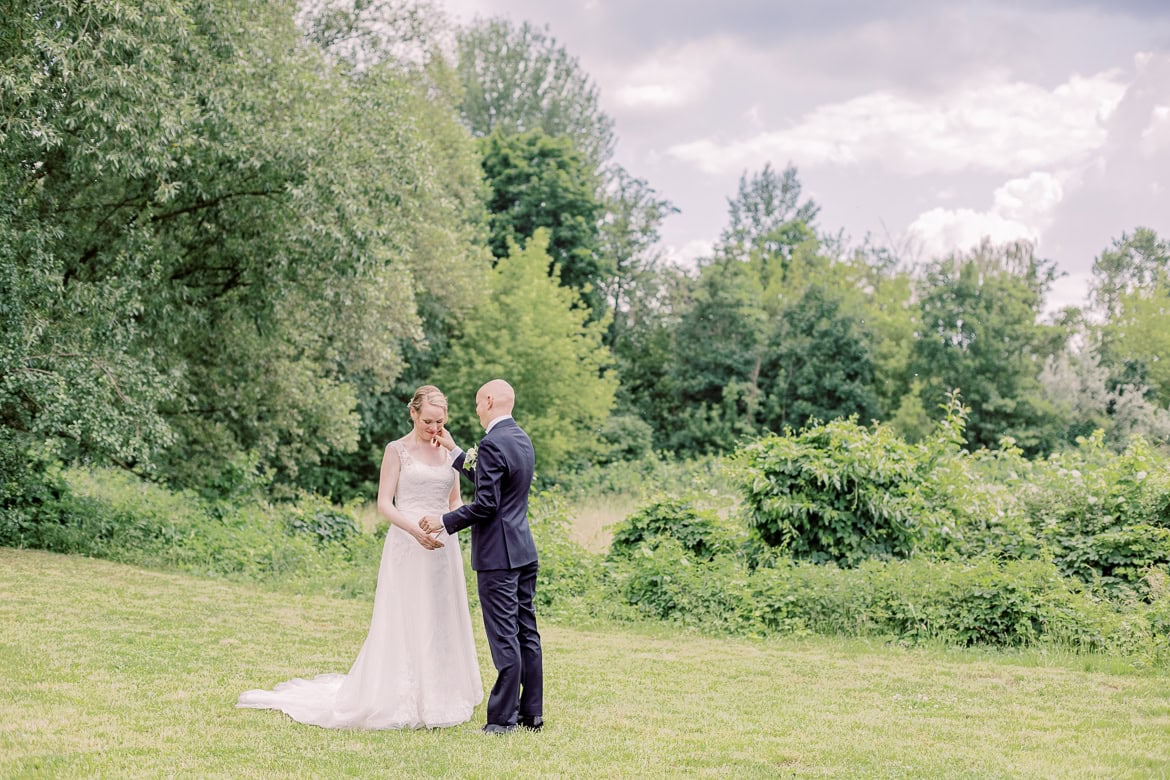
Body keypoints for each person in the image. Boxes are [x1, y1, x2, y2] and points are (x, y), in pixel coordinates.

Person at [236, 385, 482, 729]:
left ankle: (441, 696)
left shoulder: (449, 454)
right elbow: (384, 504)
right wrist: (416, 531)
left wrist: (450, 523)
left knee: (440, 616)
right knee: (407, 615)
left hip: (442, 547)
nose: (433, 429)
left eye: (440, 422)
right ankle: (401, 696)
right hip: (408, 543)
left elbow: (454, 500)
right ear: (413, 413)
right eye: (428, 421)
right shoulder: (397, 451)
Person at [420, 379, 543, 734]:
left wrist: (444, 521)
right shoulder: (521, 438)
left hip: (498, 557)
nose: (476, 410)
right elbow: (495, 482)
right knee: (526, 633)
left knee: (504, 636)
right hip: (523, 550)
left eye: (476, 403)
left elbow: (487, 503)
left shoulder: (492, 443)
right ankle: (531, 713)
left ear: (489, 401)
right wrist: (456, 452)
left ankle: (502, 720)